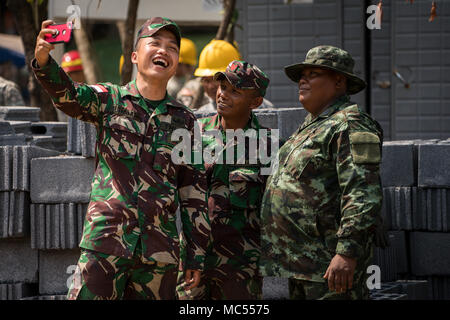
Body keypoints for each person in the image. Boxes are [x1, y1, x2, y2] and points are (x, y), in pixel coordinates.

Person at [32, 17, 210, 300]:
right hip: (106, 243)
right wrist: (44, 61)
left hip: (159, 255)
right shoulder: (110, 100)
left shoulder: (185, 122)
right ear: (135, 56)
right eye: (155, 43)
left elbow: (193, 194)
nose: (164, 51)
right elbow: (70, 96)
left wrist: (195, 256)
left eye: (172, 47)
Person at [259, 45, 384, 300]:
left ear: (339, 81)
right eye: (301, 75)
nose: (302, 80)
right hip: (302, 264)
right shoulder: (312, 126)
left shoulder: (349, 124)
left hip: (329, 267)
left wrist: (346, 252)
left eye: (313, 73)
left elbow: (362, 193)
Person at [177, 60, 271, 300]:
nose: (223, 95)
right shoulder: (195, 134)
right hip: (192, 258)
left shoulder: (267, 146)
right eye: (223, 86)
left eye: (235, 91)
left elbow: (273, 207)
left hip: (240, 266)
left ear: (255, 102)